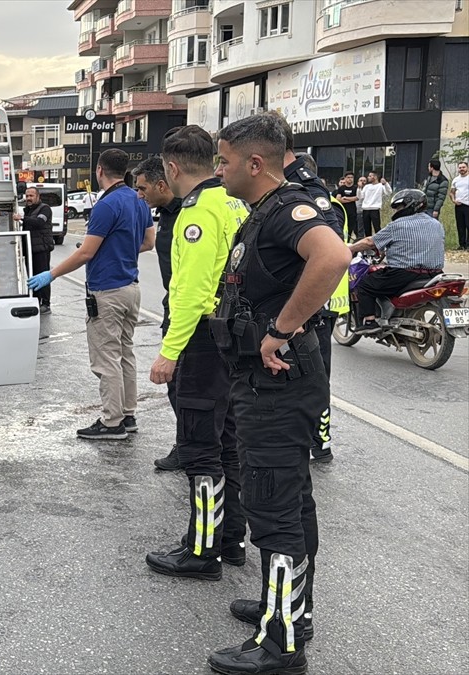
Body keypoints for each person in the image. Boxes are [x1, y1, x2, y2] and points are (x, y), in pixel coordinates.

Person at [208, 113, 350, 675]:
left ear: (254, 163)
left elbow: (333, 257)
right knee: (289, 499)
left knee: (272, 505)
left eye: (223, 160)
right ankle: (288, 609)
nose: (218, 169)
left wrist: (281, 330)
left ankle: (281, 644)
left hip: (278, 379)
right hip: (269, 378)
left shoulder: (289, 209)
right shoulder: (263, 211)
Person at [145, 126, 248, 580]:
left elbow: (189, 292)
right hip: (231, 337)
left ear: (171, 167)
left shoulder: (198, 212)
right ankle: (230, 539)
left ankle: (203, 551)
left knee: (199, 449)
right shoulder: (233, 201)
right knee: (227, 443)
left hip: (201, 340)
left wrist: (169, 353)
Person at [28, 148, 154, 440]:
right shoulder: (138, 200)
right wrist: (118, 251)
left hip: (107, 291)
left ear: (99, 170)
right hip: (131, 288)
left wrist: (52, 273)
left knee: (106, 357)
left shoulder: (106, 206)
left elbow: (86, 252)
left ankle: (112, 422)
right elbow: (148, 242)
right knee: (124, 353)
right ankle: (128, 413)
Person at [278, 135, 347, 465]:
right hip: (312, 302)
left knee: (314, 375)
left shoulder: (310, 192)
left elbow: (331, 247)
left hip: (314, 304)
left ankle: (320, 442)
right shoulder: (306, 189)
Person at [132, 154, 184, 471]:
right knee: (178, 388)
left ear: (161, 184)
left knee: (187, 386)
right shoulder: (166, 212)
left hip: (191, 312)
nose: (139, 195)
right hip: (173, 305)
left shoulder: (191, 214)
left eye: (142, 188)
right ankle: (188, 442)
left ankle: (197, 448)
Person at [348, 189, 445, 334]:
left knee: (365, 285)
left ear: (410, 206)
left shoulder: (398, 225)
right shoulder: (436, 224)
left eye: (399, 207)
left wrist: (350, 248)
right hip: (435, 274)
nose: (398, 210)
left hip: (404, 274)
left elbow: (369, 242)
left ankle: (369, 321)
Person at [15, 186, 54, 313]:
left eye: (31, 196)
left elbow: (39, 222)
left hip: (41, 248)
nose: (28, 198)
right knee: (32, 275)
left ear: (38, 197)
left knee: (43, 275)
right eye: (27, 196)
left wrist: (22, 218)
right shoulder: (28, 210)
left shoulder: (45, 209)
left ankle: (46, 303)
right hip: (30, 248)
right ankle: (36, 300)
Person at [360, 172, 387, 237]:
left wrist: (385, 184)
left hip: (375, 209)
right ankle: (368, 242)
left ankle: (379, 242)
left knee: (377, 227)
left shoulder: (381, 186)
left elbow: (388, 192)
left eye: (370, 176)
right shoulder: (367, 186)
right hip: (365, 209)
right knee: (367, 228)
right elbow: (361, 196)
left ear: (375, 177)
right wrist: (359, 188)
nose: (368, 177)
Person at [332, 173, 357, 240]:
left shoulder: (355, 188)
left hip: (352, 211)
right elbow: (338, 199)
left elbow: (357, 198)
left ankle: (348, 240)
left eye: (351, 177)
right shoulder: (341, 188)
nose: (350, 179)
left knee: (350, 228)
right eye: (348, 177)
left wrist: (346, 198)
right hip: (343, 211)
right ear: (345, 178)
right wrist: (351, 199)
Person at [452, 161, 469, 250]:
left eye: (463, 167)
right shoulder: (456, 180)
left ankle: (468, 245)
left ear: (467, 168)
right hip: (458, 205)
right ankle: (462, 245)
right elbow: (452, 192)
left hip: (468, 205)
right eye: (460, 167)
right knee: (460, 225)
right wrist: (453, 200)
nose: (462, 169)